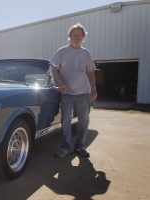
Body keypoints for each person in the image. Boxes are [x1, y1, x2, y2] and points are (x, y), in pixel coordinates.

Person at [51, 23, 97, 158]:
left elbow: (91, 73)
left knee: (84, 120)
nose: (77, 37)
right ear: (69, 36)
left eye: (79, 35)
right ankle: (66, 147)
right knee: (65, 120)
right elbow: (54, 69)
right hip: (67, 93)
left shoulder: (86, 53)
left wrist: (93, 89)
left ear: (83, 37)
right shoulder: (62, 51)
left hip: (84, 93)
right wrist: (59, 81)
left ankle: (80, 146)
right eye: (74, 34)